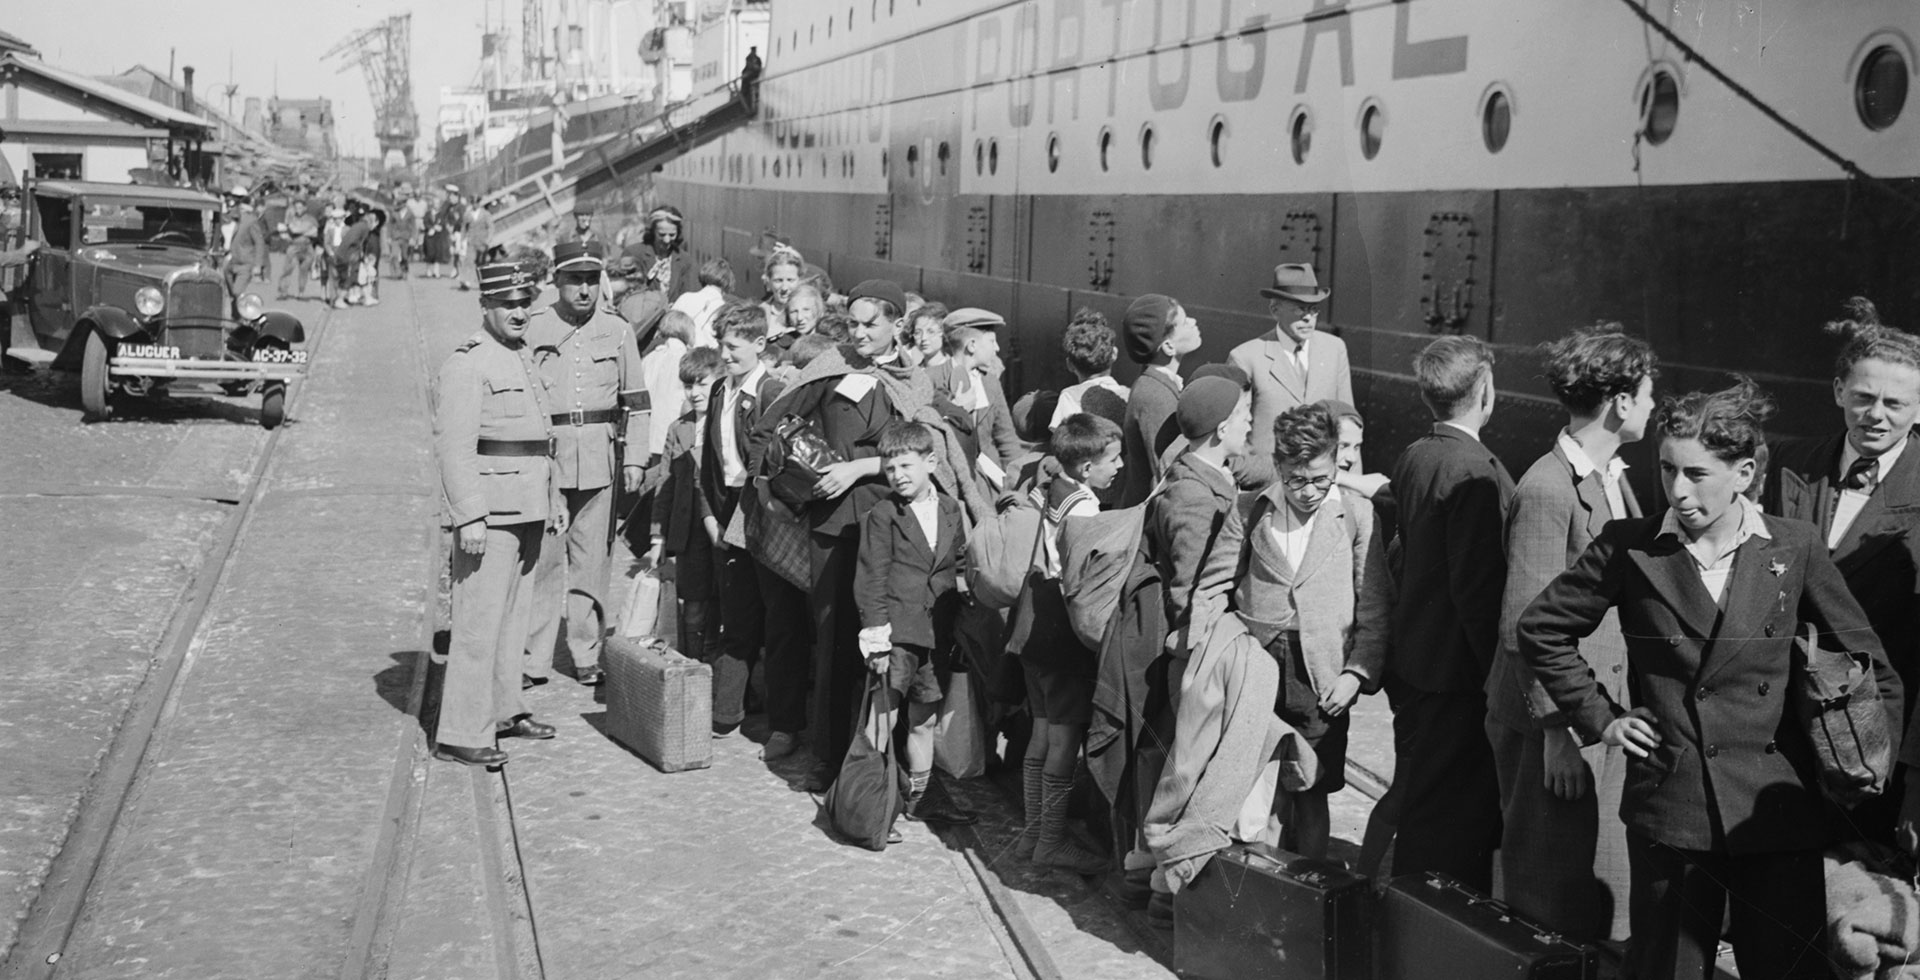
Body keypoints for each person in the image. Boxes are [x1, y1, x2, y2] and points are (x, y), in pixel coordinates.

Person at [1519, 379, 1889, 980]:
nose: (1677, 490)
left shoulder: (1794, 547)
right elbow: (1540, 629)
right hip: (1674, 803)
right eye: (1667, 470)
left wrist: (1869, 757)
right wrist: (1603, 718)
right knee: (1671, 970)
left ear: (1744, 473)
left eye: (1697, 474)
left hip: (1774, 807)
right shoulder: (1631, 547)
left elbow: (1866, 657)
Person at [1482, 326, 1656, 943]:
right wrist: (1556, 732)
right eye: (1648, 393)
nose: (1654, 405)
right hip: (1552, 720)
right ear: (1621, 402)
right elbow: (1522, 624)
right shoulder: (1548, 489)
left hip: (1594, 709)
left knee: (1595, 876)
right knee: (1545, 883)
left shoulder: (1611, 476)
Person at [1766, 302, 1920, 846]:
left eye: (1895, 403)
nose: (1876, 414)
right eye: (1863, 397)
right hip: (1777, 727)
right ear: (1838, 392)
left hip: (1872, 739)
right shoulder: (1789, 463)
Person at [1192, 403, 1375, 859]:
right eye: (1296, 479)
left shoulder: (1355, 515)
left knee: (1312, 790)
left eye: (1320, 478)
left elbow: (1375, 606)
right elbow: (1213, 587)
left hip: (1323, 679)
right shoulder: (1251, 510)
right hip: (1257, 672)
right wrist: (1208, 656)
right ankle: (1258, 884)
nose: (1309, 491)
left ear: (1336, 463)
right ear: (1278, 467)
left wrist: (1356, 672)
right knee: (1253, 787)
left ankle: (1310, 890)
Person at [752, 279, 916, 785]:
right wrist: (766, 488)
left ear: (898, 325)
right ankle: (828, 756)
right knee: (835, 640)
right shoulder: (830, 367)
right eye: (853, 324)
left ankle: (886, 760)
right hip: (834, 525)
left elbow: (924, 445)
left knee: (893, 641)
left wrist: (860, 468)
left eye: (872, 325)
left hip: (894, 526)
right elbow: (769, 428)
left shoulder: (915, 379)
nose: (860, 335)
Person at [1381, 334, 1513, 892]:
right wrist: (1498, 677)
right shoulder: (1476, 471)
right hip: (1461, 677)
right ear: (1484, 390)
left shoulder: (1417, 455)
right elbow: (1477, 594)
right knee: (1453, 824)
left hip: (1419, 663)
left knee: (1426, 805)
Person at [431, 260, 566, 768]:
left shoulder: (522, 355)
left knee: (513, 623)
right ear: (485, 305)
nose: (518, 312)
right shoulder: (468, 362)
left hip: (528, 508)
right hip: (490, 514)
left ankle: (506, 711)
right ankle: (462, 731)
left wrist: (551, 501)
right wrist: (468, 516)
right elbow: (454, 448)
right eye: (506, 304)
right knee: (477, 625)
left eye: (523, 303)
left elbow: (539, 442)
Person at [524, 242, 645, 687]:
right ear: (556, 281)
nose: (584, 289)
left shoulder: (617, 330)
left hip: (600, 455)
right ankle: (533, 659)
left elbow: (637, 400)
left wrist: (635, 458)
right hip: (548, 458)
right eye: (575, 280)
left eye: (592, 280)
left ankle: (585, 651)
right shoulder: (534, 326)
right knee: (542, 562)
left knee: (593, 561)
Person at [1010, 412, 1124, 873]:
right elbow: (1083, 574)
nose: (1118, 466)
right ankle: (1051, 842)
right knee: (1062, 739)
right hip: (1062, 630)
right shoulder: (1085, 505)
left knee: (1040, 732)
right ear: (1085, 468)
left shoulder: (1050, 487)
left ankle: (1033, 835)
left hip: (1033, 620)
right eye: (1111, 459)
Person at [855, 420, 978, 838]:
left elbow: (958, 564)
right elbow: (871, 579)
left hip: (936, 633)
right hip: (897, 634)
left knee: (924, 721)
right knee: (883, 721)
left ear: (931, 462)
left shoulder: (950, 509)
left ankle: (921, 799)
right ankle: (875, 805)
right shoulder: (883, 515)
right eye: (890, 470)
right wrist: (876, 639)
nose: (898, 476)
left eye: (906, 466)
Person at [701, 304, 803, 742]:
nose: (724, 355)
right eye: (720, 345)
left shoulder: (772, 392)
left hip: (763, 513)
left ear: (760, 344)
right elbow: (709, 460)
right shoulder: (719, 391)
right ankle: (727, 711)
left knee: (780, 621)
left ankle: (785, 723)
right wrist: (709, 513)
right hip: (728, 512)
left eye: (733, 346)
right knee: (737, 614)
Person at [1229, 264, 1354, 489]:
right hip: (1267, 488)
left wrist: (1352, 490)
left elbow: (1350, 427)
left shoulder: (1334, 349)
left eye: (1313, 308)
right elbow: (1234, 435)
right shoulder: (1246, 357)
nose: (1308, 317)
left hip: (1323, 487)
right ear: (1275, 309)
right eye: (1299, 308)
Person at [651, 346, 725, 666]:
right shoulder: (678, 428)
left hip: (721, 526)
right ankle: (694, 667)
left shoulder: (727, 421)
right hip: (690, 528)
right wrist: (658, 535)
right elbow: (664, 485)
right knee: (693, 604)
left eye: (702, 384)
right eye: (688, 385)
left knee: (725, 601)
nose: (694, 393)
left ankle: (723, 673)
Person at [1119, 294, 1202, 507]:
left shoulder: (1157, 383)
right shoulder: (1154, 395)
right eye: (1184, 322)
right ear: (1168, 347)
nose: (1193, 322)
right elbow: (1165, 472)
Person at [1052, 309, 1129, 429]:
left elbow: (1062, 439)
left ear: (1070, 365)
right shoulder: (1129, 395)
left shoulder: (1069, 396)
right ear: (1114, 354)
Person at [636, 205, 695, 299]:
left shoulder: (685, 260)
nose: (667, 240)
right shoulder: (635, 254)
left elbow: (688, 295)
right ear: (652, 232)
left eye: (672, 235)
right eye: (661, 234)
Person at [672, 258, 733, 347]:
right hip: (704, 357)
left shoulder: (685, 297)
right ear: (728, 283)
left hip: (677, 352)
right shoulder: (723, 308)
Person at [224, 189, 268, 307]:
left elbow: (259, 242)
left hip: (244, 263)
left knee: (237, 292)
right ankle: (236, 316)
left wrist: (257, 265)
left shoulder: (250, 220)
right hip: (229, 262)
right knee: (230, 293)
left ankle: (241, 314)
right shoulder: (226, 219)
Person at [759, 245, 805, 339]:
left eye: (790, 280)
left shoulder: (809, 313)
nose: (784, 288)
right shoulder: (760, 314)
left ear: (800, 280)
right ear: (769, 281)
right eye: (778, 280)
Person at [278, 196, 318, 300]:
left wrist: (298, 230)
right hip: (294, 246)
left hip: (307, 247)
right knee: (287, 269)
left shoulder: (311, 218)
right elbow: (290, 230)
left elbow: (314, 233)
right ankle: (283, 291)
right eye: (296, 208)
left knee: (304, 270)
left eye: (300, 207)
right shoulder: (292, 218)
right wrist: (303, 231)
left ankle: (301, 292)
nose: (298, 210)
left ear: (305, 208)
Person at [463, 199, 497, 291]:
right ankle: (467, 281)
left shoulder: (485, 214)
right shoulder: (468, 214)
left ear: (479, 203)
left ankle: (481, 282)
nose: (474, 204)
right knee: (469, 261)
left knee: (481, 263)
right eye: (473, 202)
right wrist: (463, 239)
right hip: (471, 241)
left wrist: (488, 239)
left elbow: (491, 227)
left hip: (482, 242)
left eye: (476, 202)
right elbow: (464, 227)